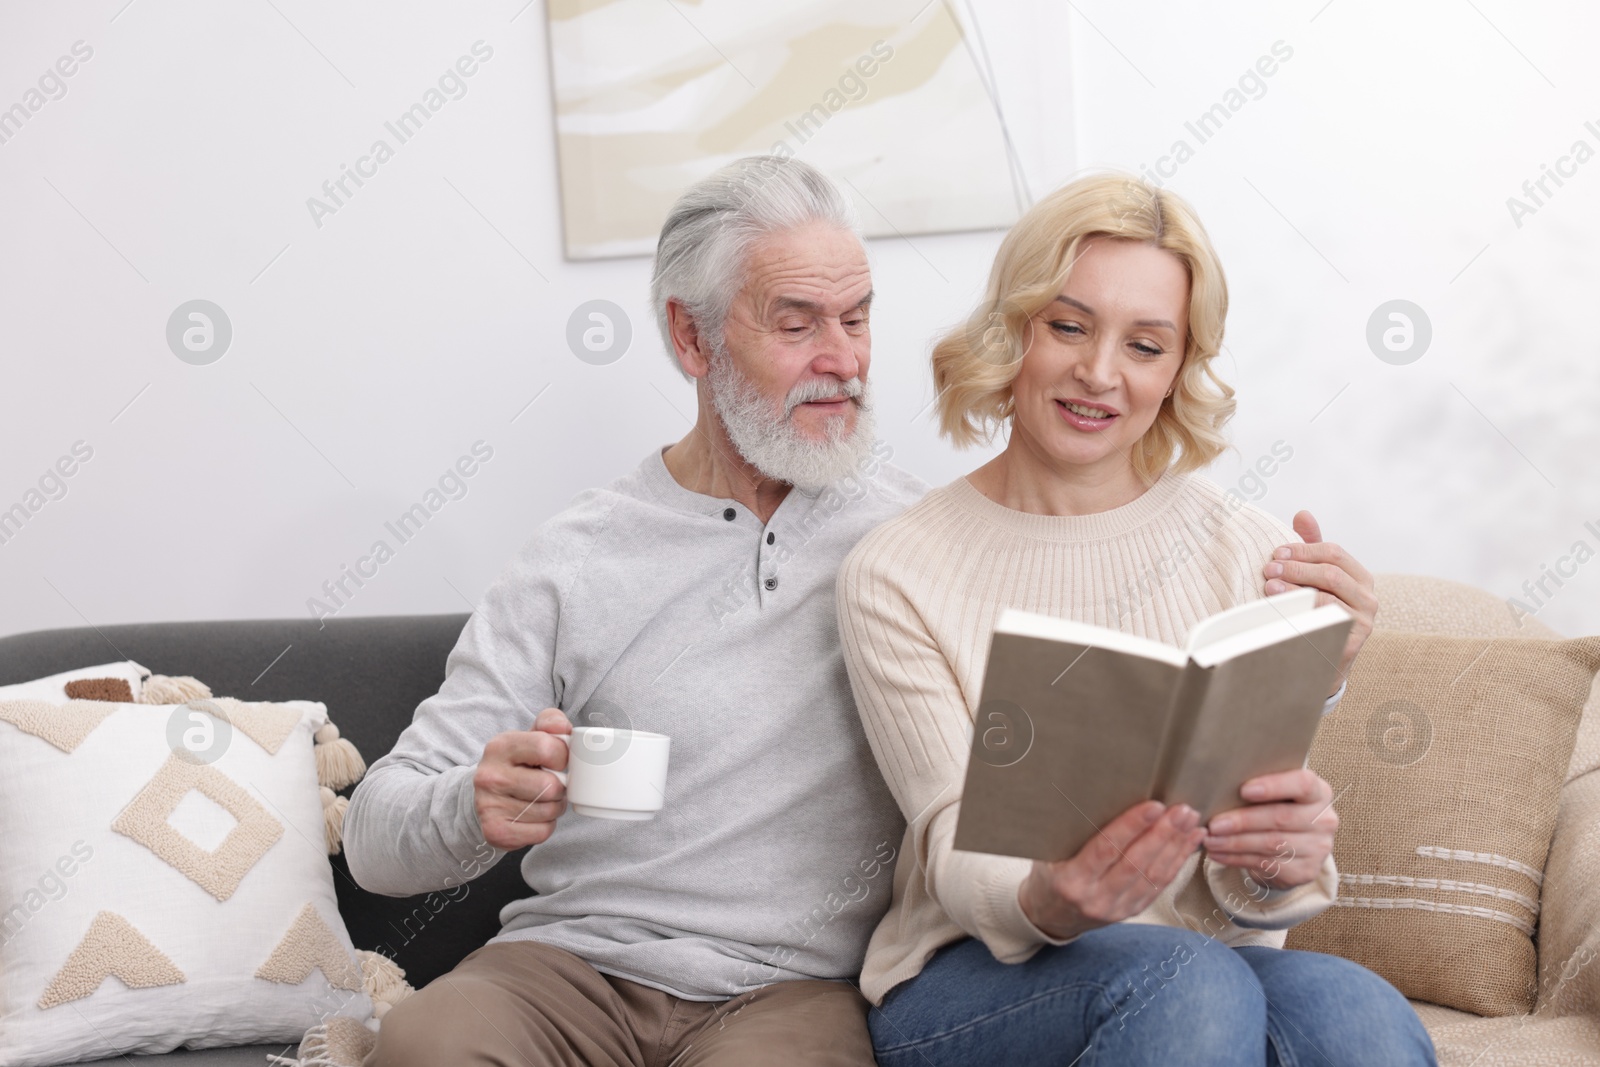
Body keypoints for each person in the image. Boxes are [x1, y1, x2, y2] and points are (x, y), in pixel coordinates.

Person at [835, 173, 1436, 1065]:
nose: (1100, 372)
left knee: (1360, 1014)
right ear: (1014, 331)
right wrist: (1053, 898)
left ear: (1178, 369)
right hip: (971, 979)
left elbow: (1246, 881)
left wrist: (1280, 857)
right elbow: (951, 829)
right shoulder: (897, 569)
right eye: (1068, 326)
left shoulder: (1247, 548)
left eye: (1146, 345)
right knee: (1184, 980)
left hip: (1205, 967)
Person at [344, 155, 925, 1066]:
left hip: (789, 987)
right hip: (567, 969)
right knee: (427, 1046)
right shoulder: (576, 555)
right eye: (797, 323)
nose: (843, 360)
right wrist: (475, 803)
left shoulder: (912, 538)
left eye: (856, 320)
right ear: (690, 339)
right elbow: (375, 836)